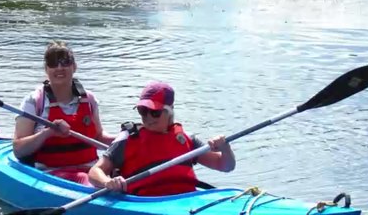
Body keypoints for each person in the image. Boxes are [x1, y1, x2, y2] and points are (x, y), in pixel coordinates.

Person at [87, 81, 235, 196]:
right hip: (144, 203)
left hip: (187, 201)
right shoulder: (127, 139)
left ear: (169, 111)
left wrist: (225, 147)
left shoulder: (186, 139)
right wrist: (108, 182)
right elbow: (95, 172)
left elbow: (225, 166)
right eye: (143, 111)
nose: (148, 117)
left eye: (155, 112)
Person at [13, 41, 114, 183]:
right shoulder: (35, 101)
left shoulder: (89, 99)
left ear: (74, 67)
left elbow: (97, 137)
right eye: (53, 63)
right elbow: (18, 149)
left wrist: (125, 137)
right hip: (52, 174)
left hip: (92, 170)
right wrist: (48, 132)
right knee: (85, 179)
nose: (59, 68)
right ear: (46, 69)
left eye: (65, 62)